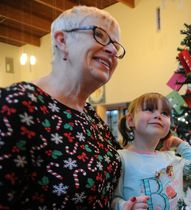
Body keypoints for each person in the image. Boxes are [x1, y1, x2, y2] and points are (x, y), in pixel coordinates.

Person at [0, 6, 126, 209]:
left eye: (116, 46)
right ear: (62, 40)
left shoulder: (92, 117)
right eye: (100, 35)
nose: (112, 50)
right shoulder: (17, 104)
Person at [112, 93, 191, 210]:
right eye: (149, 109)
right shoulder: (120, 158)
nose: (158, 115)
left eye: (164, 113)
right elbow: (112, 199)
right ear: (131, 120)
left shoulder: (170, 158)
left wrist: (179, 143)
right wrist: (126, 206)